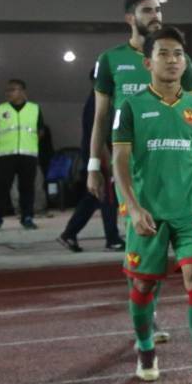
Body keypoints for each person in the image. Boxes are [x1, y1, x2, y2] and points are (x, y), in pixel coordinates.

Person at [111, 27, 192, 384]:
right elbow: (120, 161)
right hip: (148, 211)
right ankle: (146, 349)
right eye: (163, 53)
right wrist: (133, 208)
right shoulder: (130, 107)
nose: (172, 60)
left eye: (178, 54)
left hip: (189, 210)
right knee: (144, 283)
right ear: (148, 63)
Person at [90, 0, 192, 344]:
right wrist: (93, 163)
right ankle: (145, 314)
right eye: (147, 10)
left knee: (166, 241)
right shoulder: (111, 60)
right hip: (131, 167)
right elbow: (100, 116)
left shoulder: (181, 61)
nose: (156, 16)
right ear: (130, 18)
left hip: (170, 165)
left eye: (158, 10)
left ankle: (147, 311)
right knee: (142, 236)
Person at [58, 75, 124, 253]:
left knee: (94, 196)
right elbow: (98, 134)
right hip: (100, 156)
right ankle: (112, 239)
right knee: (108, 196)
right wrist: (108, 161)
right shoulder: (97, 101)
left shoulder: (100, 99)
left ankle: (69, 234)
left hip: (98, 155)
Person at [0, 79, 48, 231]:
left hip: (28, 154)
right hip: (6, 155)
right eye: (7, 90)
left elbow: (40, 131)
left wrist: (29, 142)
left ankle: (27, 217)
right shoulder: (0, 109)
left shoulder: (34, 109)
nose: (8, 93)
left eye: (12, 90)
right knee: (1, 188)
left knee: (27, 187)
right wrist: (3, 143)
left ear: (22, 91)